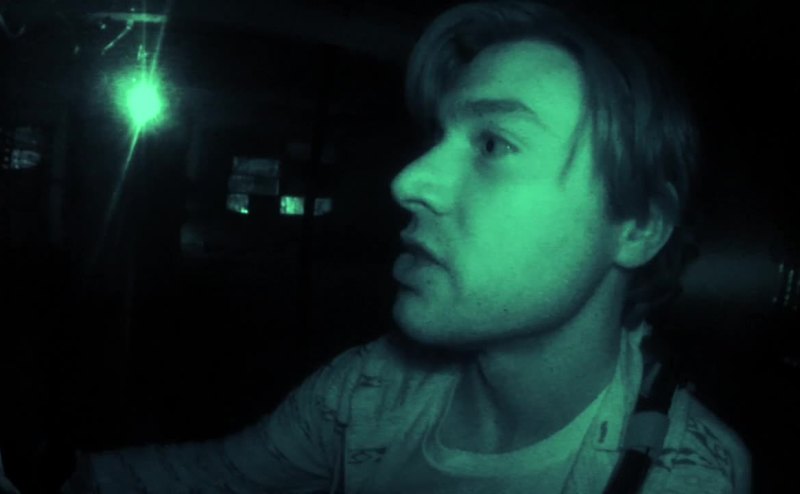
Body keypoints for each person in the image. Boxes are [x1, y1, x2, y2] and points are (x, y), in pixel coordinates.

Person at [60, 1, 751, 492]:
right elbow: (215, 477)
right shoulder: (365, 389)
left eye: (493, 143)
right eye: (438, 138)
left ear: (638, 227)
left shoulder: (687, 476)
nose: (409, 181)